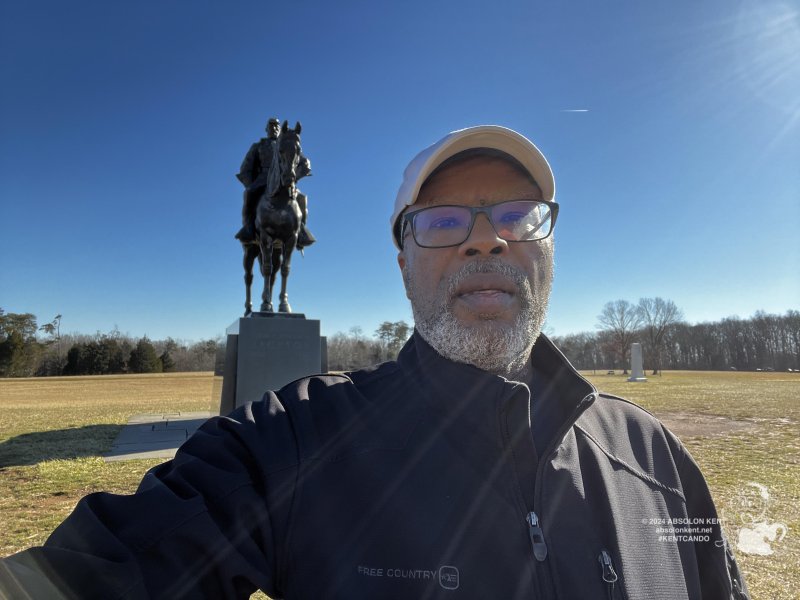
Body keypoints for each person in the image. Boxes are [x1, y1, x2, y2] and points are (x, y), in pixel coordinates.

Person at [0, 126, 749, 599]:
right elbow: (99, 572)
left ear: (550, 246)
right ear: (401, 261)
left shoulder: (658, 460)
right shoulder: (291, 442)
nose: (485, 241)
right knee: (257, 228)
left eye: (519, 217)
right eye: (443, 221)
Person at [236, 117, 315, 249]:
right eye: (271, 126)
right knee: (249, 193)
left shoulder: (286, 144)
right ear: (266, 129)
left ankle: (301, 231)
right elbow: (246, 167)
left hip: (284, 180)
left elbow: (303, 162)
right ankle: (248, 228)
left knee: (301, 198)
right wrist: (250, 183)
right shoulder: (258, 146)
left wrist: (295, 177)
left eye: (277, 126)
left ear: (280, 129)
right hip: (262, 179)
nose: (274, 128)